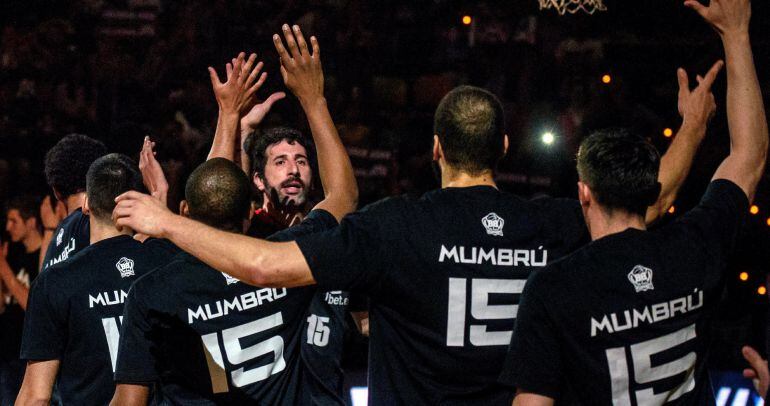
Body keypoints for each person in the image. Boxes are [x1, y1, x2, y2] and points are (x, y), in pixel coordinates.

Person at [112, 25, 718, 405]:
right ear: (504, 148)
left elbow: (264, 264)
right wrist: (692, 126)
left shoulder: (395, 227)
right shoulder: (555, 224)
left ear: (435, 149)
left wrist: (166, 221)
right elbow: (651, 198)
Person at [499, 0, 767, 404]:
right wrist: (737, 35)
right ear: (648, 189)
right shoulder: (694, 248)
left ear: (584, 190)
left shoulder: (553, 288)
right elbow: (750, 155)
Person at [111, 29, 357, 404]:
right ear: (250, 209)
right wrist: (313, 97)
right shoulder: (289, 259)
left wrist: (229, 117)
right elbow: (343, 196)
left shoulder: (152, 290)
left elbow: (129, 402)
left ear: (186, 212)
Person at [207, 32, 358, 403]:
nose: (293, 170)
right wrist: (237, 127)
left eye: (301, 161)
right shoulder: (244, 233)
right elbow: (217, 198)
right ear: (258, 180)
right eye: (280, 162)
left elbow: (342, 198)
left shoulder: (322, 233)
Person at [16, 154, 168, 405]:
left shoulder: (55, 282)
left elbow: (36, 397)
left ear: (86, 205)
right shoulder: (168, 260)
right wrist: (160, 198)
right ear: (136, 202)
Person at [40, 134, 107, 270]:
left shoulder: (56, 240)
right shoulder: (108, 222)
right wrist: (157, 194)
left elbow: (41, 284)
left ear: (56, 192)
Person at [0, 196, 42, 405]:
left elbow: (33, 306)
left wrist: (2, 266)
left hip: (27, 359)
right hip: (7, 353)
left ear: (31, 222)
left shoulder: (43, 260)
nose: (8, 227)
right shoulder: (16, 256)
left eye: (14, 221)